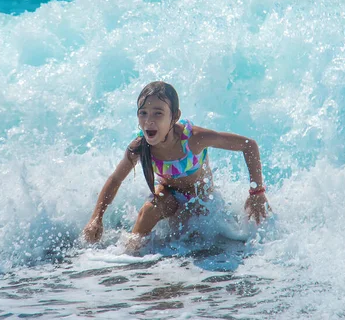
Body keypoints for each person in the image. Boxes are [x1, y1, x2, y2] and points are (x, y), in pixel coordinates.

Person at [82, 81, 270, 246]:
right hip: (169, 197)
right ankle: (130, 263)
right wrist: (96, 218)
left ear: (174, 116)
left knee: (204, 246)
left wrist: (257, 192)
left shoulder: (194, 139)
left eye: (158, 113)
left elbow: (248, 145)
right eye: (143, 113)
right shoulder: (139, 147)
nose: (149, 121)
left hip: (202, 201)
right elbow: (115, 179)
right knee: (148, 212)